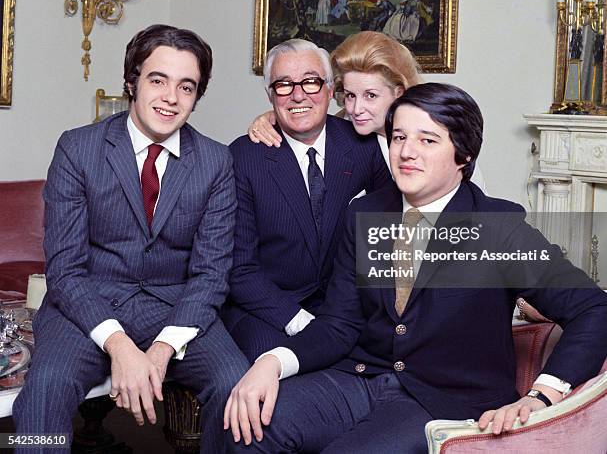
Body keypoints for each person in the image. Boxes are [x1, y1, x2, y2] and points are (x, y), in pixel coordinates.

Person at [224, 83, 607, 453]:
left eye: (428, 140)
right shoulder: (365, 213)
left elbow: (594, 308)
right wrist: (272, 362)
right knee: (242, 423)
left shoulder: (498, 227)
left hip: (445, 400)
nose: (407, 152)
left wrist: (544, 394)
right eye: (399, 137)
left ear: (464, 154)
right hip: (359, 378)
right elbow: (339, 325)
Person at [13, 25, 248, 454]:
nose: (170, 97)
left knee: (236, 385)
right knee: (44, 391)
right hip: (87, 305)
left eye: (186, 86)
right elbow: (65, 269)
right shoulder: (77, 148)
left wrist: (160, 352)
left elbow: (212, 273)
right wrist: (119, 345)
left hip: (177, 309)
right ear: (132, 81)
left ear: (198, 96)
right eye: (157, 80)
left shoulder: (215, 162)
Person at [224, 39, 391, 362]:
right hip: (269, 310)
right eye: (284, 85)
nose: (298, 94)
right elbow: (239, 268)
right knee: (275, 377)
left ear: (330, 90)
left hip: (344, 308)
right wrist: (302, 323)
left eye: (311, 82)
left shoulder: (364, 146)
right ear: (270, 95)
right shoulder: (244, 157)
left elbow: (391, 232)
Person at [248, 31, 485, 190]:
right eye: (350, 95)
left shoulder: (441, 142)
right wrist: (270, 119)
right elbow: (302, 116)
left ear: (399, 92)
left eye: (371, 96)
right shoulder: (346, 131)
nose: (356, 109)